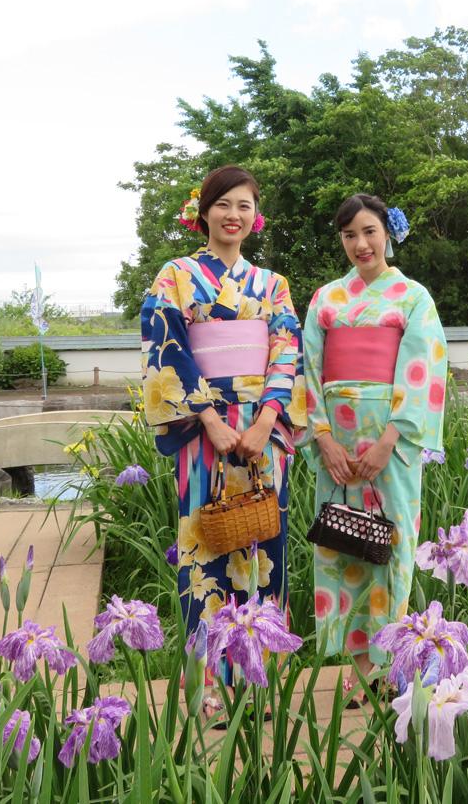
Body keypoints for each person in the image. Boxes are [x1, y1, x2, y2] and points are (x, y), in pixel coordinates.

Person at [140, 165, 305, 713]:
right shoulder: (177, 275)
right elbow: (167, 345)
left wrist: (265, 421)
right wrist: (210, 419)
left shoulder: (272, 284)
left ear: (254, 217)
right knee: (203, 545)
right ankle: (208, 684)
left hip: (262, 425)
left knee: (264, 546)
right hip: (201, 426)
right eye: (223, 205)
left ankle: (259, 676)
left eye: (243, 206)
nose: (233, 216)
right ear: (204, 211)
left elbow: (287, 348)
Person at [300, 193, 447, 704]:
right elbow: (309, 372)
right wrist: (322, 439)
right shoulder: (326, 299)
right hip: (335, 448)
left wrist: (390, 439)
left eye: (369, 231)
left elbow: (423, 367)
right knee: (343, 547)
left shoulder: (412, 296)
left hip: (390, 446)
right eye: (349, 235)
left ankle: (393, 666)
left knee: (392, 549)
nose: (360, 244)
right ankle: (360, 668)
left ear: (388, 232)